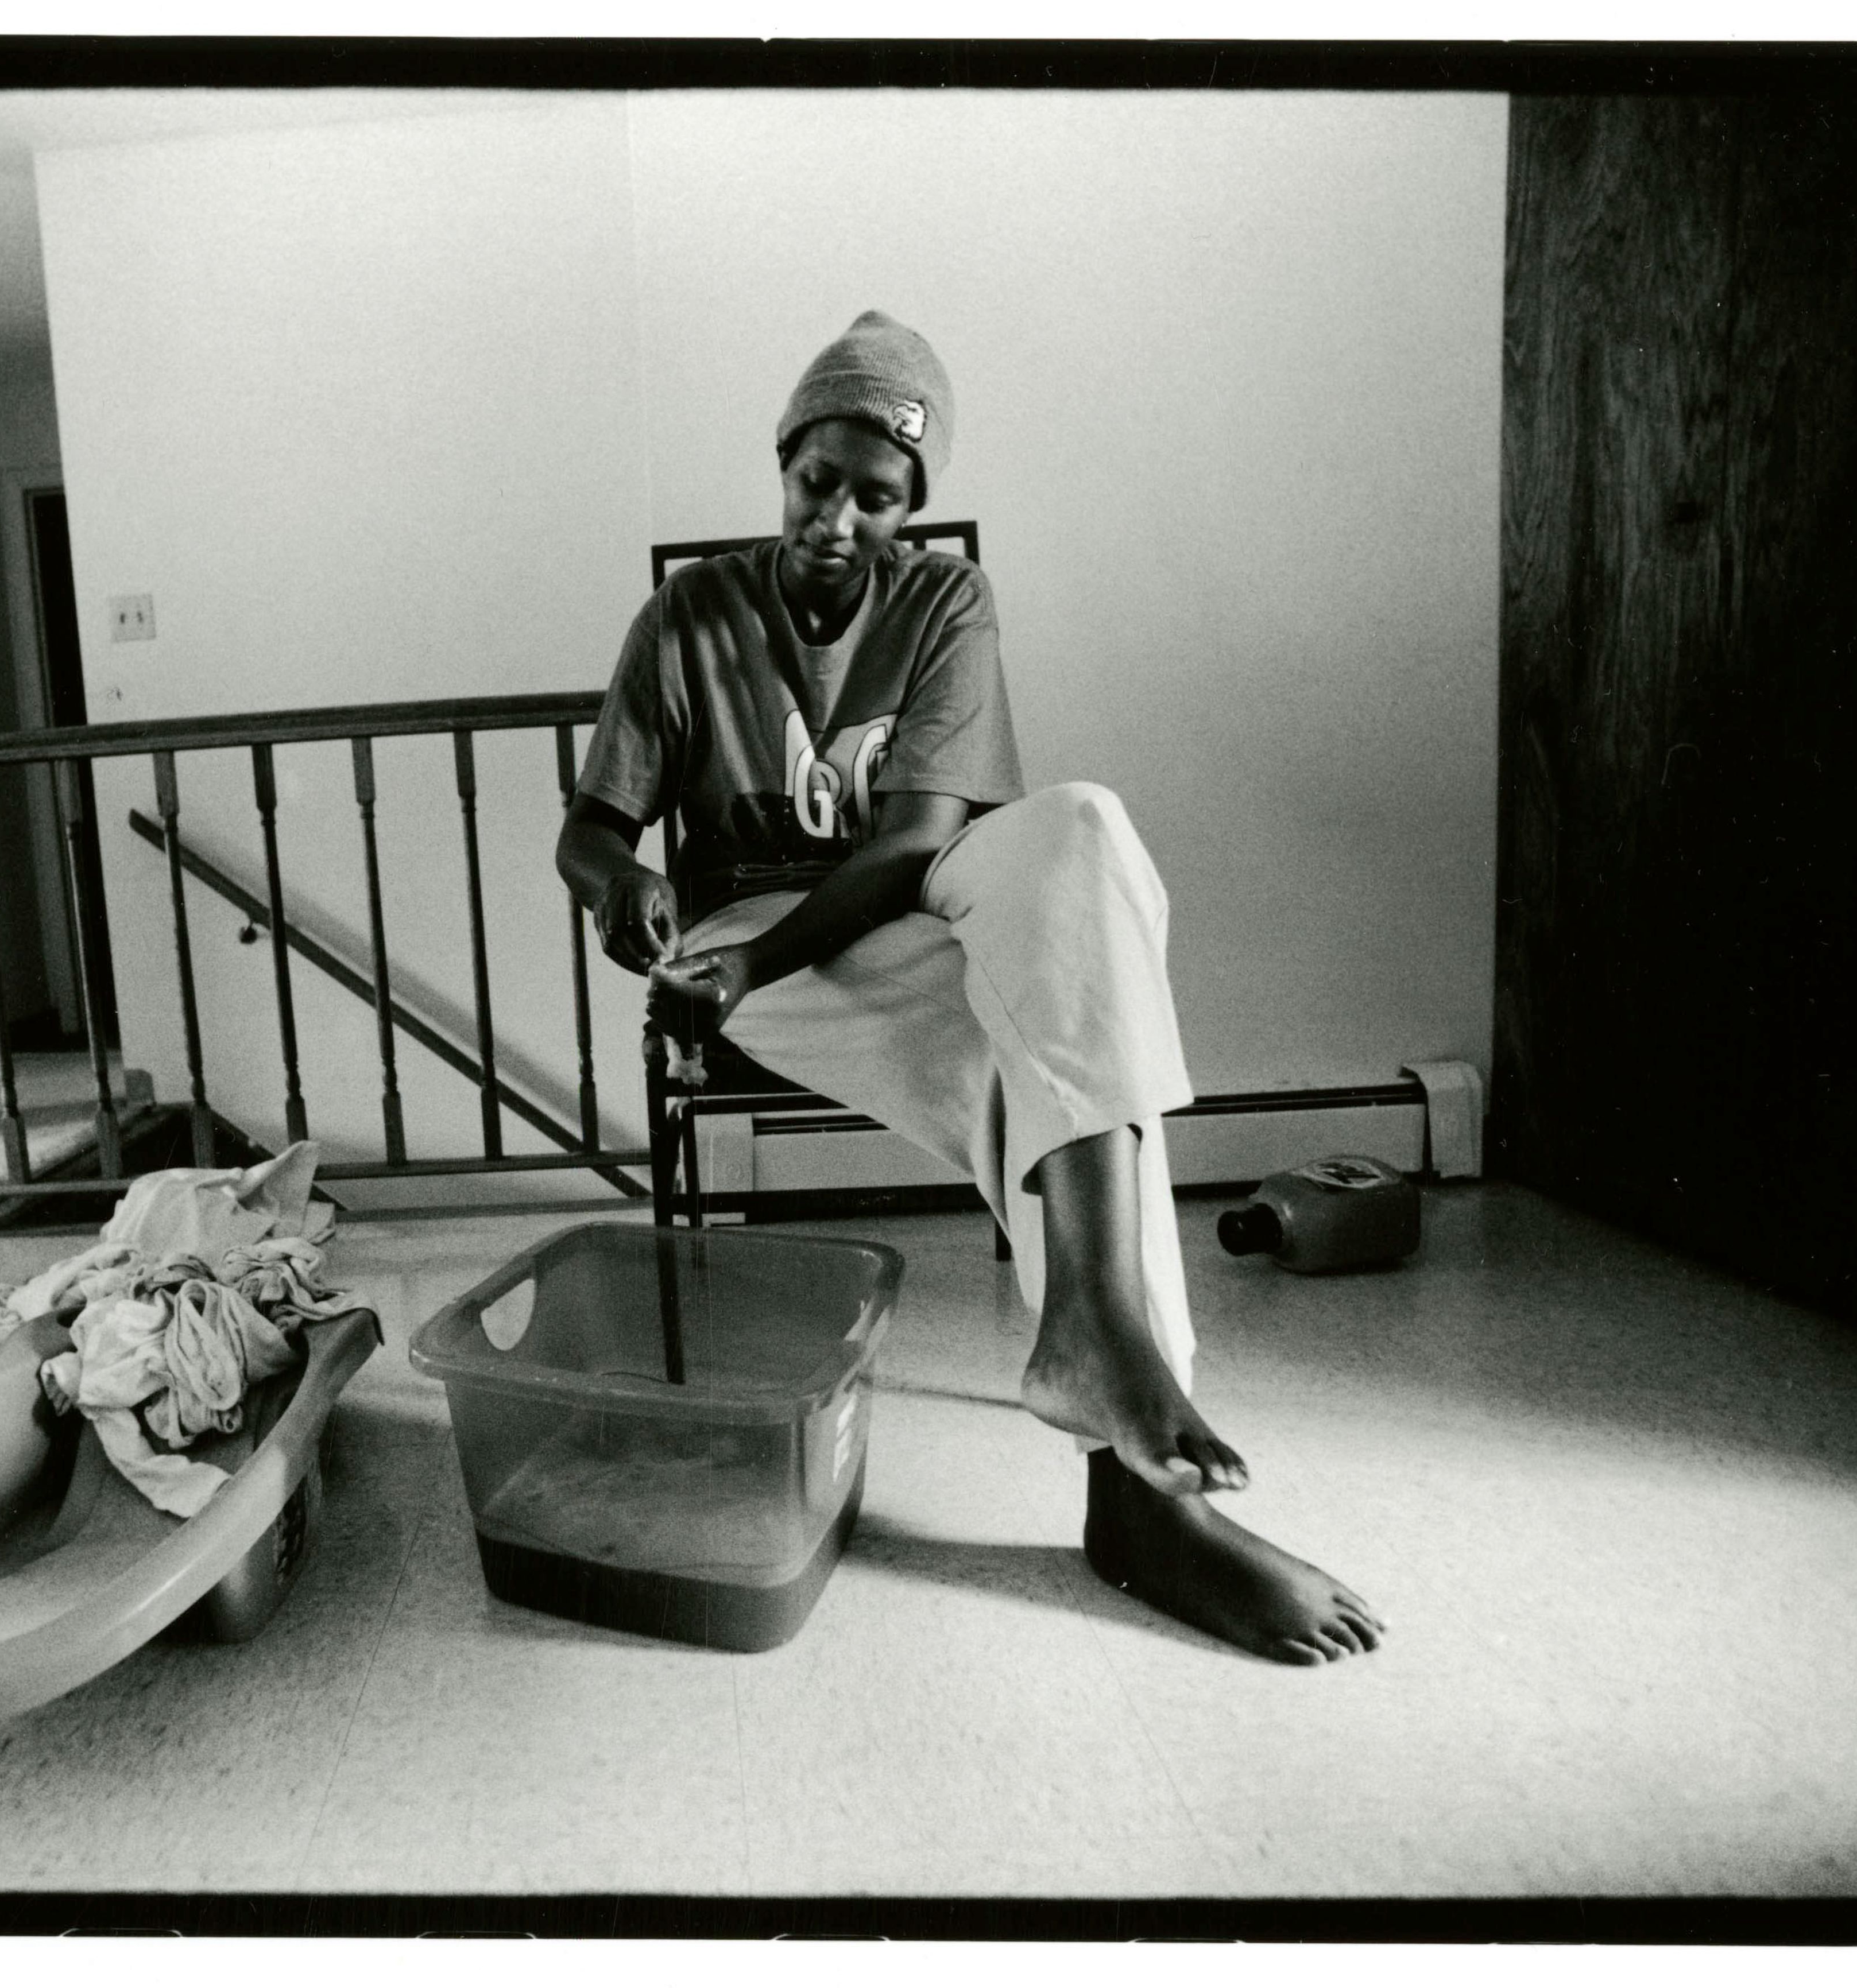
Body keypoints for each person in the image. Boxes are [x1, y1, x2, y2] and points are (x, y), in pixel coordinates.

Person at [555, 311, 1384, 1665]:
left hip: (900, 903)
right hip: (747, 944)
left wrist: (757, 955)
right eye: (816, 480)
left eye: (877, 497)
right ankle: (1143, 1498)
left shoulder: (946, 603)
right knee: (1045, 1073)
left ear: (913, 507)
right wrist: (622, 889)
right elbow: (590, 832)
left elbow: (912, 847)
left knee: (1082, 827)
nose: (838, 520)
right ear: (782, 464)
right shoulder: (687, 616)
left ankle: (1099, 1338)